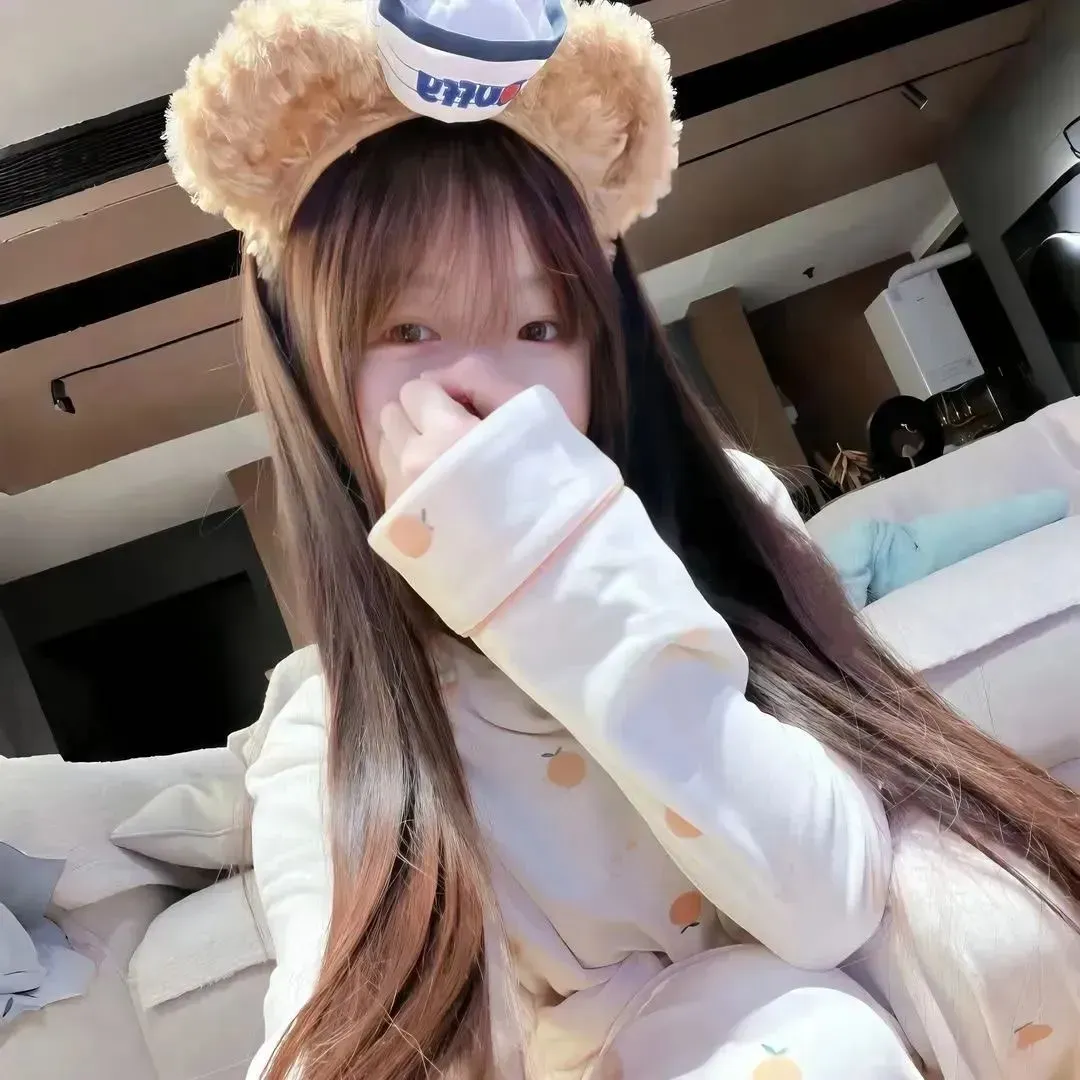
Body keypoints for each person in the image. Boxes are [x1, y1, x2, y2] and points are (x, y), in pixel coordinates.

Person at [166, 2, 1080, 1078]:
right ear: (318, 384)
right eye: (408, 330)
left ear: (601, 347)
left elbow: (828, 894)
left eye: (538, 326)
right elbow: (326, 1024)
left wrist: (552, 571)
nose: (487, 384)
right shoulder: (326, 736)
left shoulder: (718, 527)